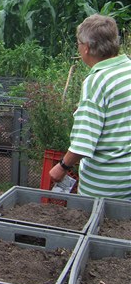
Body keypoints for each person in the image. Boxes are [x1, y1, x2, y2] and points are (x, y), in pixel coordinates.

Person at [49, 14, 131, 200]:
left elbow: (84, 139)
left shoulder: (97, 81)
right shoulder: (127, 69)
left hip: (106, 184)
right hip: (128, 180)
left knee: (98, 225)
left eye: (78, 42)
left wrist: (62, 167)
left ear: (86, 48)